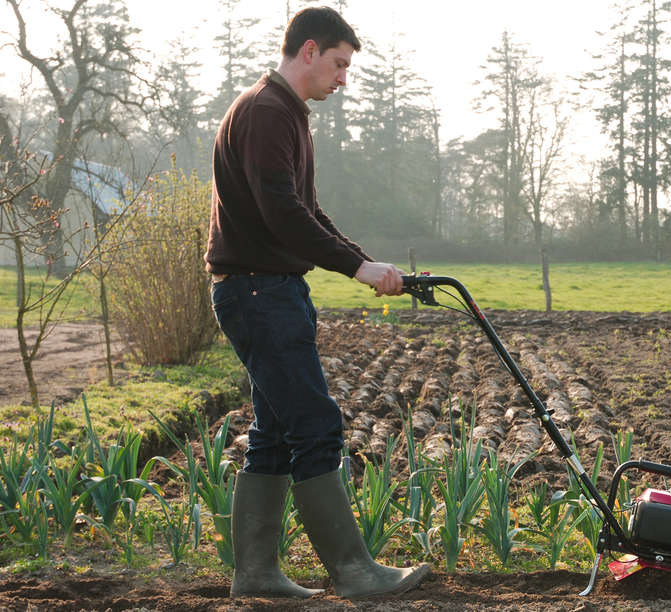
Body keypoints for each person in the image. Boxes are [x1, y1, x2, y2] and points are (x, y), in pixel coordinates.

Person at [203, 6, 430, 599]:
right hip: (257, 291)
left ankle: (255, 575)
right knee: (313, 424)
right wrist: (357, 267)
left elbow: (306, 212)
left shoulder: (285, 115)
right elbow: (282, 213)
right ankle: (355, 573)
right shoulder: (265, 113)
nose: (343, 77)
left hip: (271, 289)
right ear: (308, 50)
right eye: (338, 63)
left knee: (276, 432)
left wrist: (369, 263)